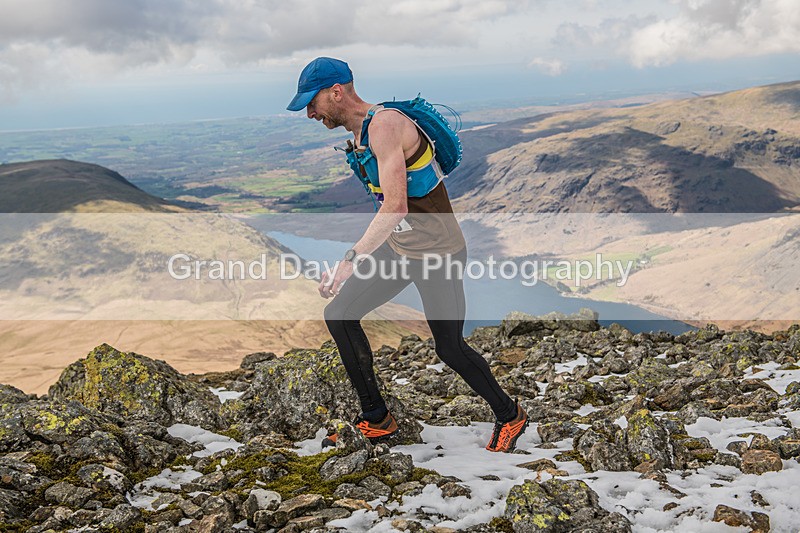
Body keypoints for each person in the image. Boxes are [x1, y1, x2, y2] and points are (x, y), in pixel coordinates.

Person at [287, 57, 528, 452]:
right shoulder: (362, 134)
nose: (310, 113)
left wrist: (350, 260)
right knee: (339, 315)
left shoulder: (385, 126)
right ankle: (377, 417)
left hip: (438, 253)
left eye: (311, 103)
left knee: (448, 348)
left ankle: (509, 414)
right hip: (402, 250)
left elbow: (396, 206)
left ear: (336, 92)